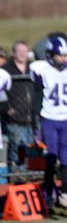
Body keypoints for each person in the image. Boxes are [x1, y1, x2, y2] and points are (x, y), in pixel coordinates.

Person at [30, 37, 67, 210]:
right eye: (60, 55)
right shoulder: (42, 70)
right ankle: (48, 193)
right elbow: (37, 99)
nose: (63, 59)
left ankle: (65, 193)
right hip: (49, 118)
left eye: (65, 55)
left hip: (66, 118)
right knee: (51, 157)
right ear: (51, 55)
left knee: (65, 156)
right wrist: (35, 123)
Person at [2, 41, 34, 173]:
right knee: (16, 154)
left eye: (25, 51)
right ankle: (17, 177)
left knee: (32, 153)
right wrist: (8, 109)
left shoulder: (33, 69)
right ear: (13, 53)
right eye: (19, 51)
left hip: (33, 120)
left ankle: (32, 178)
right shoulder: (6, 70)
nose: (22, 54)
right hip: (15, 121)